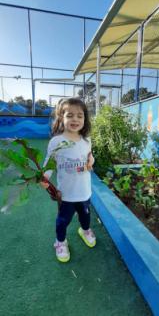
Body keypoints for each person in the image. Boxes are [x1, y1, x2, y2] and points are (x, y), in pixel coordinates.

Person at [42, 97, 96, 263]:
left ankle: (85, 230)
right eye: (70, 115)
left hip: (85, 192)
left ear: (84, 119)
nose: (75, 119)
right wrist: (44, 177)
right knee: (62, 221)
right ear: (61, 118)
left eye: (80, 116)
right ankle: (60, 242)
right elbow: (49, 163)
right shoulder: (57, 141)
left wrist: (91, 160)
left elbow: (89, 156)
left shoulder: (87, 141)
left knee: (85, 217)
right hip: (66, 195)